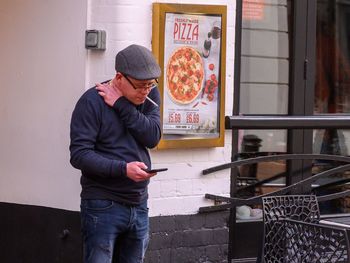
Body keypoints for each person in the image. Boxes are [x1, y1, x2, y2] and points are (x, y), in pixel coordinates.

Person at [69, 44, 162, 263]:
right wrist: (123, 169)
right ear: (119, 77)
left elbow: (152, 137)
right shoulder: (91, 102)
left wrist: (121, 104)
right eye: (140, 86)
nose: (146, 91)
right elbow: (79, 155)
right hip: (102, 204)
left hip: (139, 203)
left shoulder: (149, 95)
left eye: (150, 84)